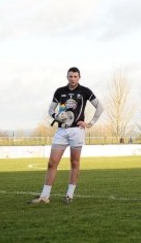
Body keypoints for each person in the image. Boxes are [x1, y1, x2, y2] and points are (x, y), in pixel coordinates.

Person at [29, 67, 104, 205]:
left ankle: (69, 195)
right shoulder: (60, 91)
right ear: (67, 77)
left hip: (77, 131)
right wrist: (56, 116)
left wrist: (90, 123)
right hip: (62, 131)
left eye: (75, 76)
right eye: (70, 76)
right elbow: (51, 110)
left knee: (74, 163)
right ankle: (44, 197)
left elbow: (100, 107)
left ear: (79, 77)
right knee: (52, 163)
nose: (73, 79)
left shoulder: (85, 91)